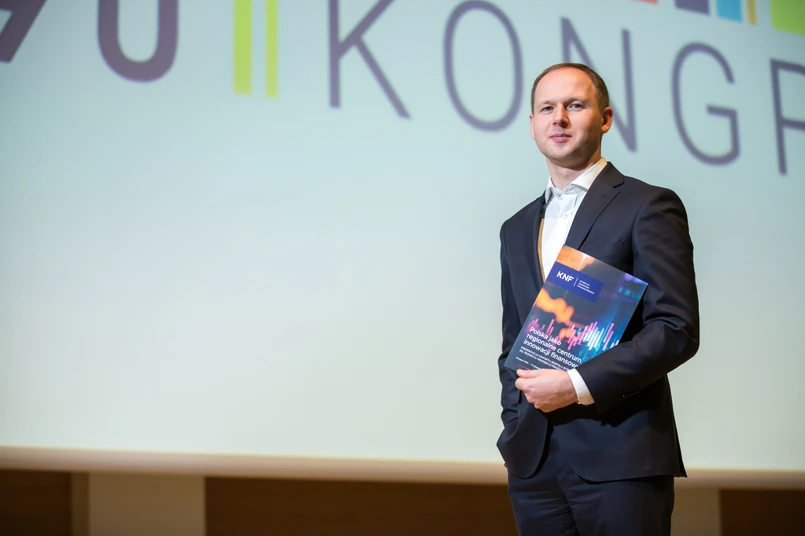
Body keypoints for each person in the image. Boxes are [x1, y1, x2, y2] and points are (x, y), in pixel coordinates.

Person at [496, 62, 700, 536]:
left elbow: (676, 330)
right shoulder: (515, 227)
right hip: (534, 464)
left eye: (575, 105)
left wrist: (576, 384)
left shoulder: (647, 206)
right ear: (532, 124)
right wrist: (514, 423)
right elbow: (513, 343)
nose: (559, 118)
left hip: (620, 454)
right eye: (547, 108)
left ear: (605, 118)